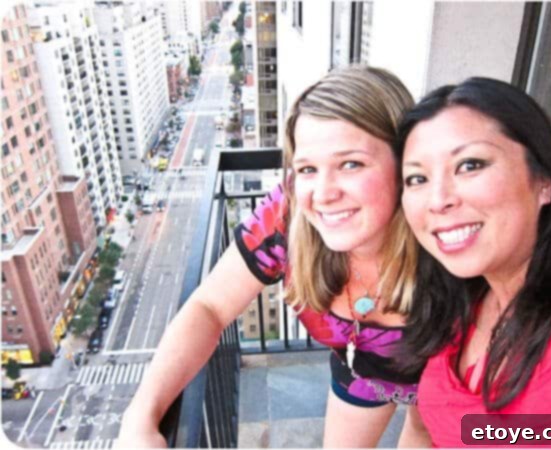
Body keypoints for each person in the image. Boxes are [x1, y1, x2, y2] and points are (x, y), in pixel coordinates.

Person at [117, 66, 430, 448]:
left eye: (351, 163)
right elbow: (211, 306)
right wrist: (141, 418)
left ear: (406, 163)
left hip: (454, 389)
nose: (323, 192)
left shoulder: (448, 236)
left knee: (426, 430)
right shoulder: (290, 213)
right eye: (308, 169)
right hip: (361, 373)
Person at [397, 77, 551, 447]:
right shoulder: (458, 300)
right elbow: (421, 428)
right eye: (417, 178)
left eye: (470, 164)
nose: (437, 200)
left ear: (544, 181)